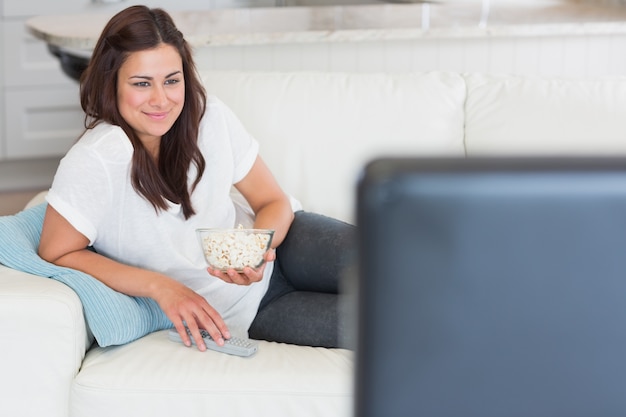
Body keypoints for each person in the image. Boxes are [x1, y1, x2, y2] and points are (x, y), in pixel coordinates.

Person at [37, 5, 355, 350]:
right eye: (142, 83)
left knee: (406, 262)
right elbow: (57, 252)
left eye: (172, 81)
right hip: (250, 310)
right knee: (397, 322)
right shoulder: (95, 160)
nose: (161, 100)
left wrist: (254, 249)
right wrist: (161, 287)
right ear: (110, 83)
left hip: (288, 246)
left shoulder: (209, 116)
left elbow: (272, 202)